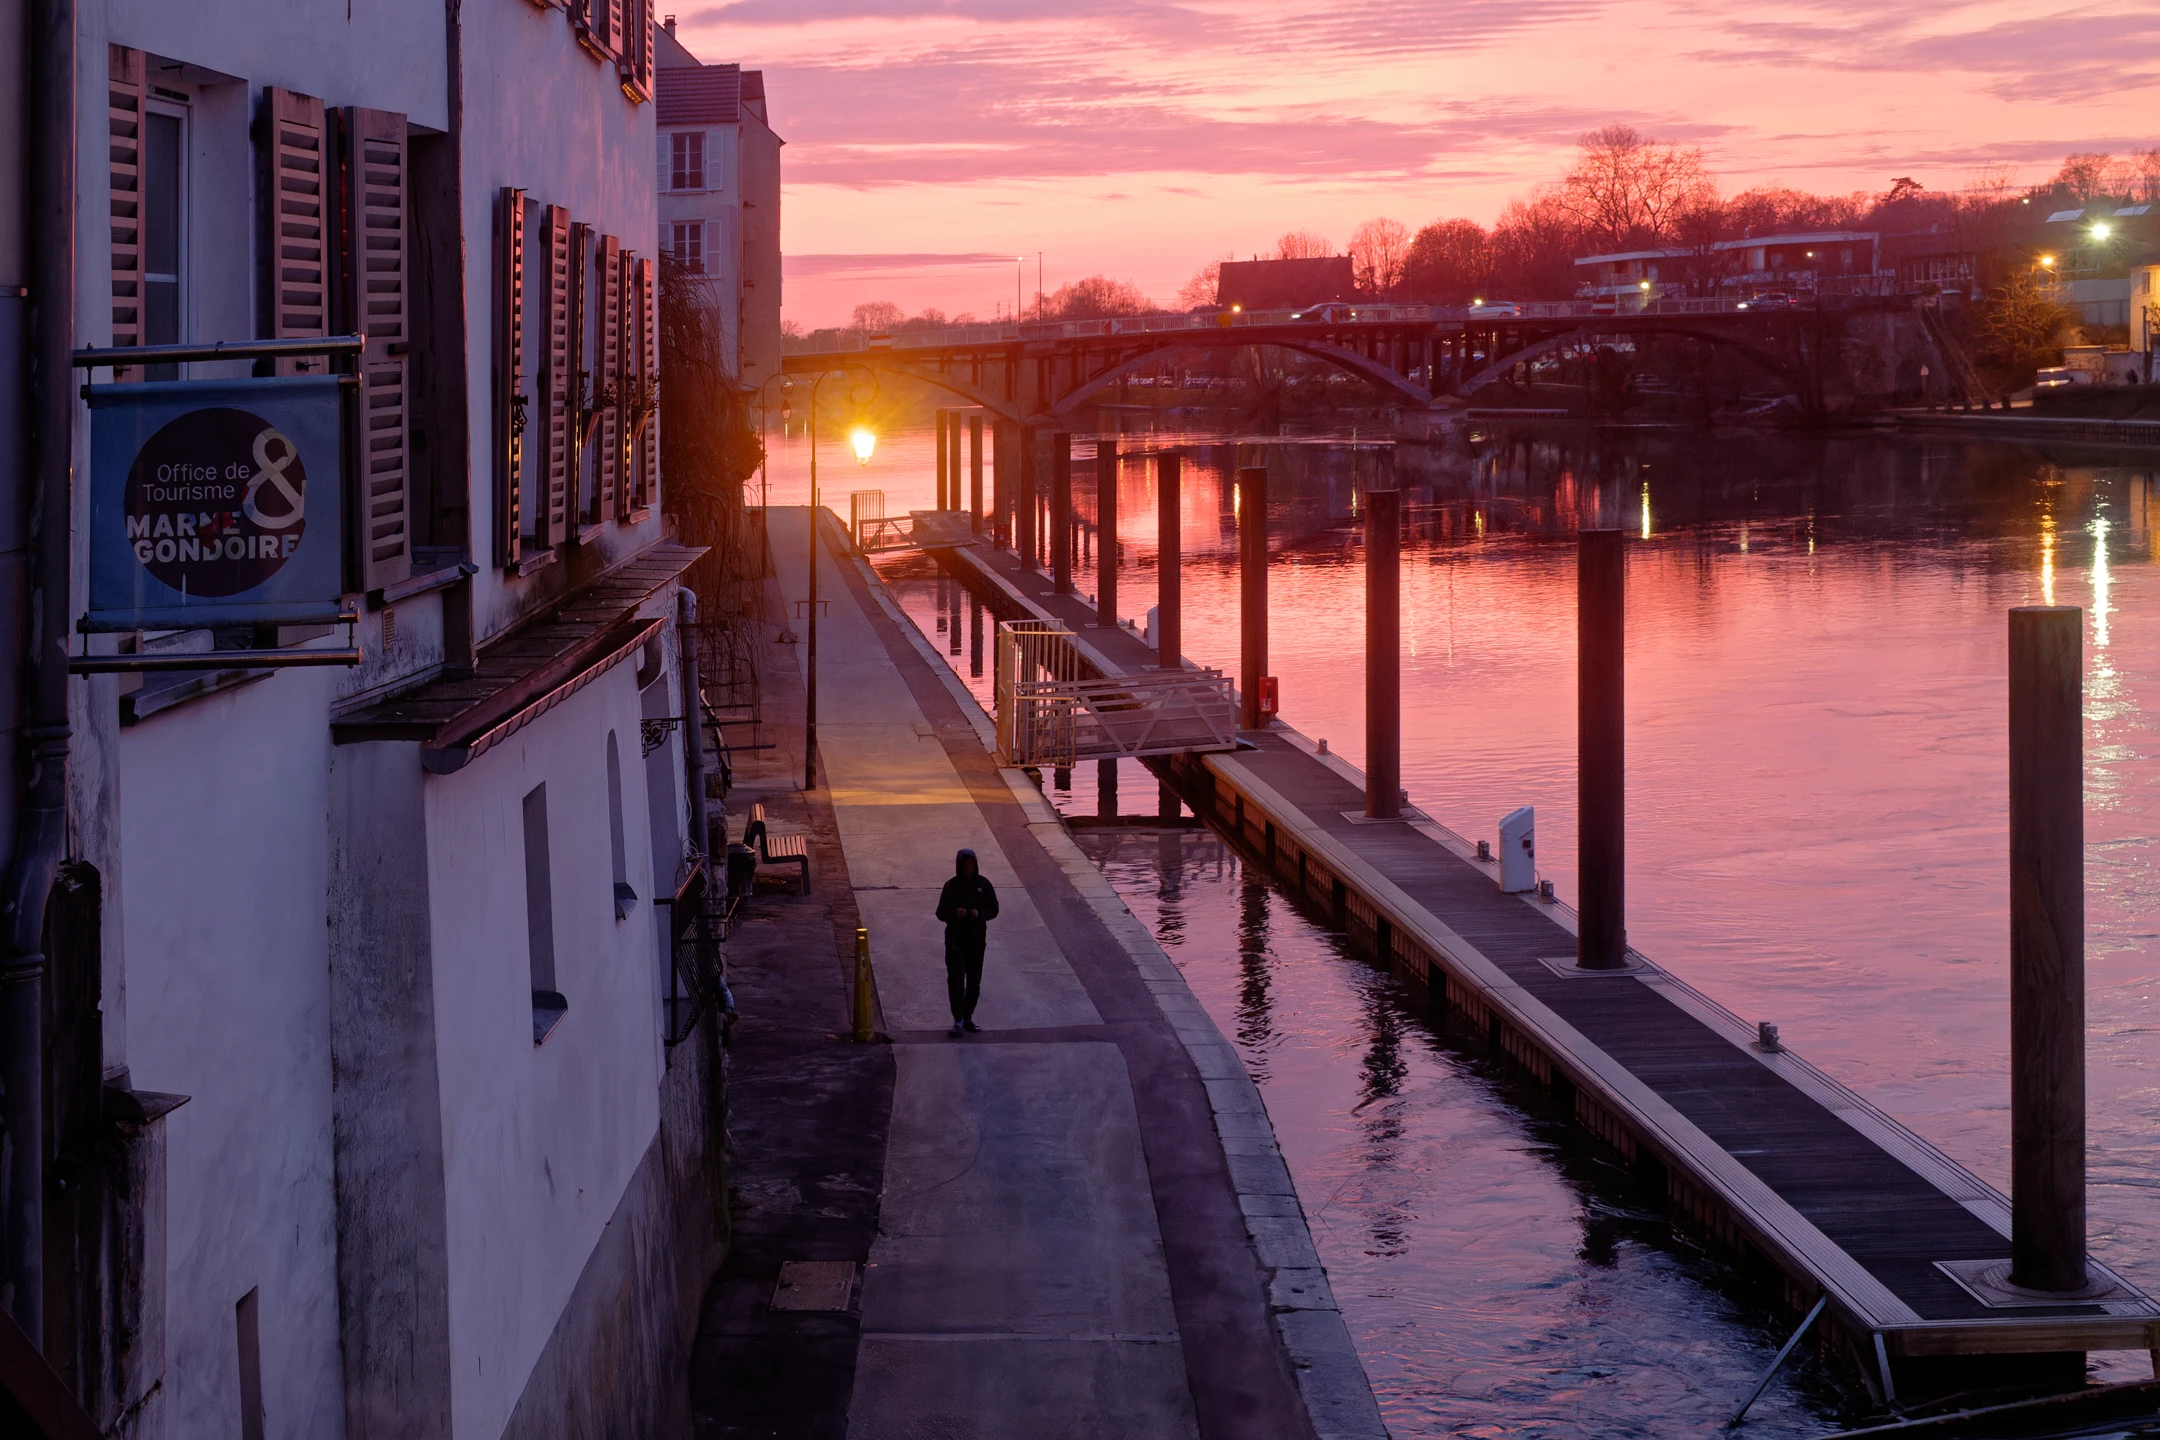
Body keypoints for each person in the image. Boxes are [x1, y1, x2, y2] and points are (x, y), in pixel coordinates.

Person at [934, 848, 999, 1037]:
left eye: (970, 865)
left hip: (976, 940)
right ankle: (958, 1018)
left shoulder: (983, 884)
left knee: (974, 980)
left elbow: (994, 909)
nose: (967, 868)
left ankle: (967, 1016)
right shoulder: (951, 886)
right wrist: (955, 914)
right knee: (955, 979)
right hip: (955, 939)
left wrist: (980, 914)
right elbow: (940, 912)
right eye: (964, 865)